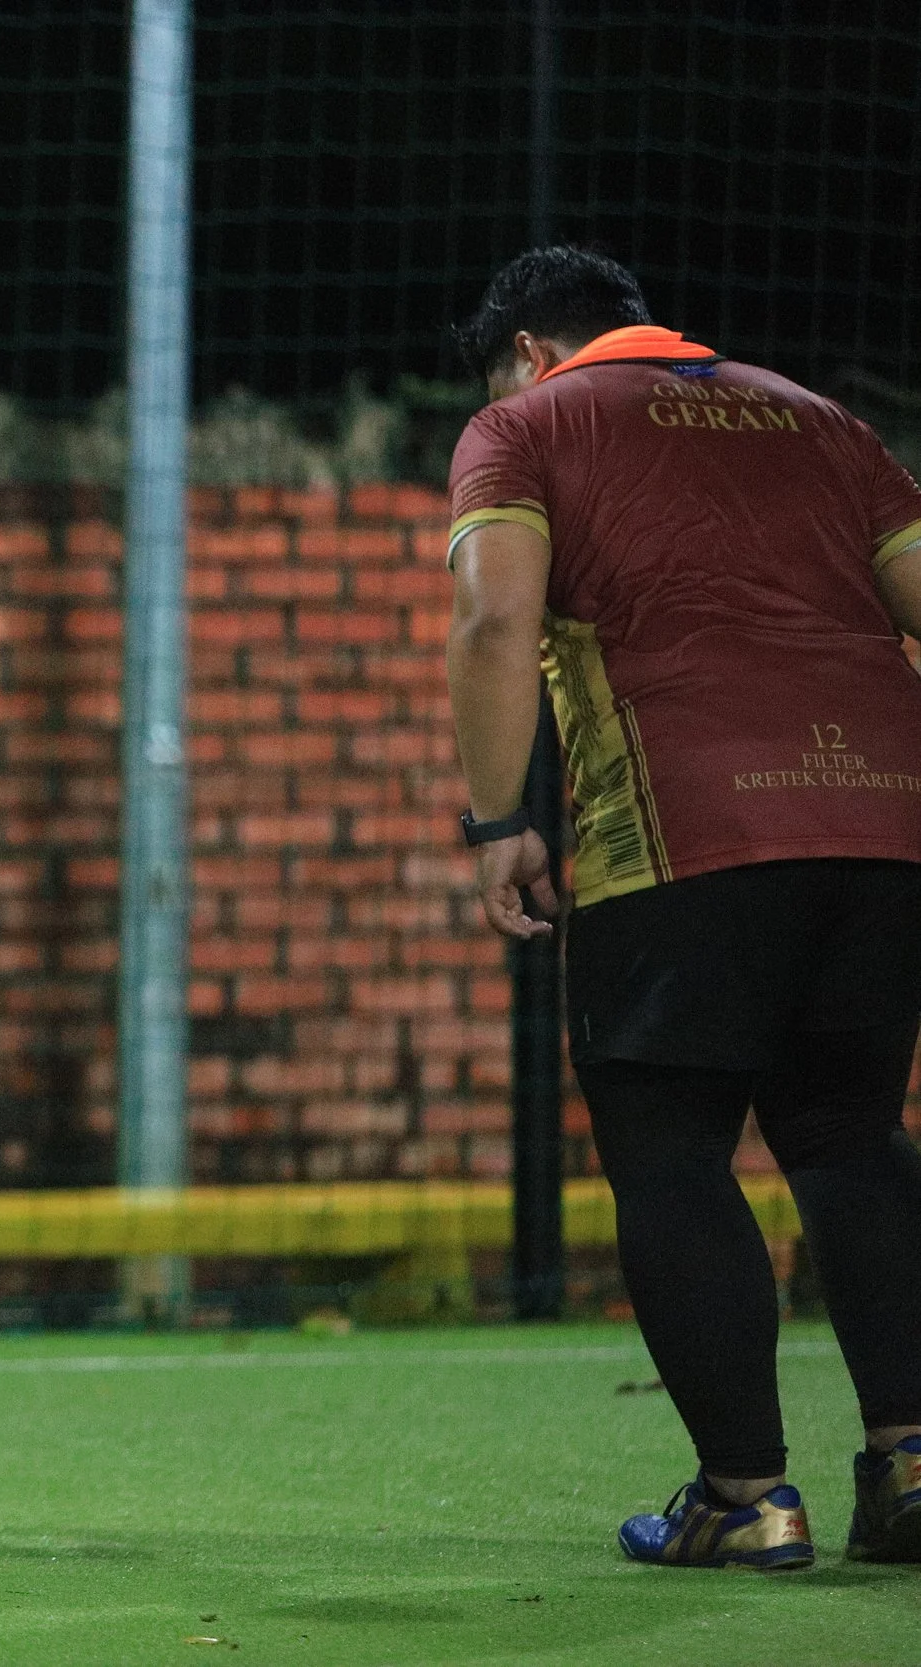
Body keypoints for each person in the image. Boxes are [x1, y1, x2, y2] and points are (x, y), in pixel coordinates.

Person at [447, 245, 921, 1570]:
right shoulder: (824, 421)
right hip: (887, 827)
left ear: (530, 351)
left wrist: (496, 818)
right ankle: (911, 1461)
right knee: (850, 1130)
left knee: (669, 1149)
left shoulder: (524, 426)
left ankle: (744, 1495)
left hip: (686, 827)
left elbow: (494, 623)